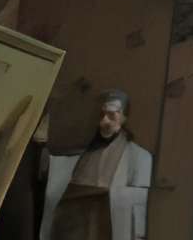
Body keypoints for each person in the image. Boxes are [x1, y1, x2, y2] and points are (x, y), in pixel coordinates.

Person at [40, 93, 149, 240]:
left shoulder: (139, 157)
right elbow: (56, 174)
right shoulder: (85, 151)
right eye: (102, 115)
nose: (104, 121)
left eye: (112, 115)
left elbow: (141, 206)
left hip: (105, 226)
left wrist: (106, 196)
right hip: (73, 225)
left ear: (124, 118)